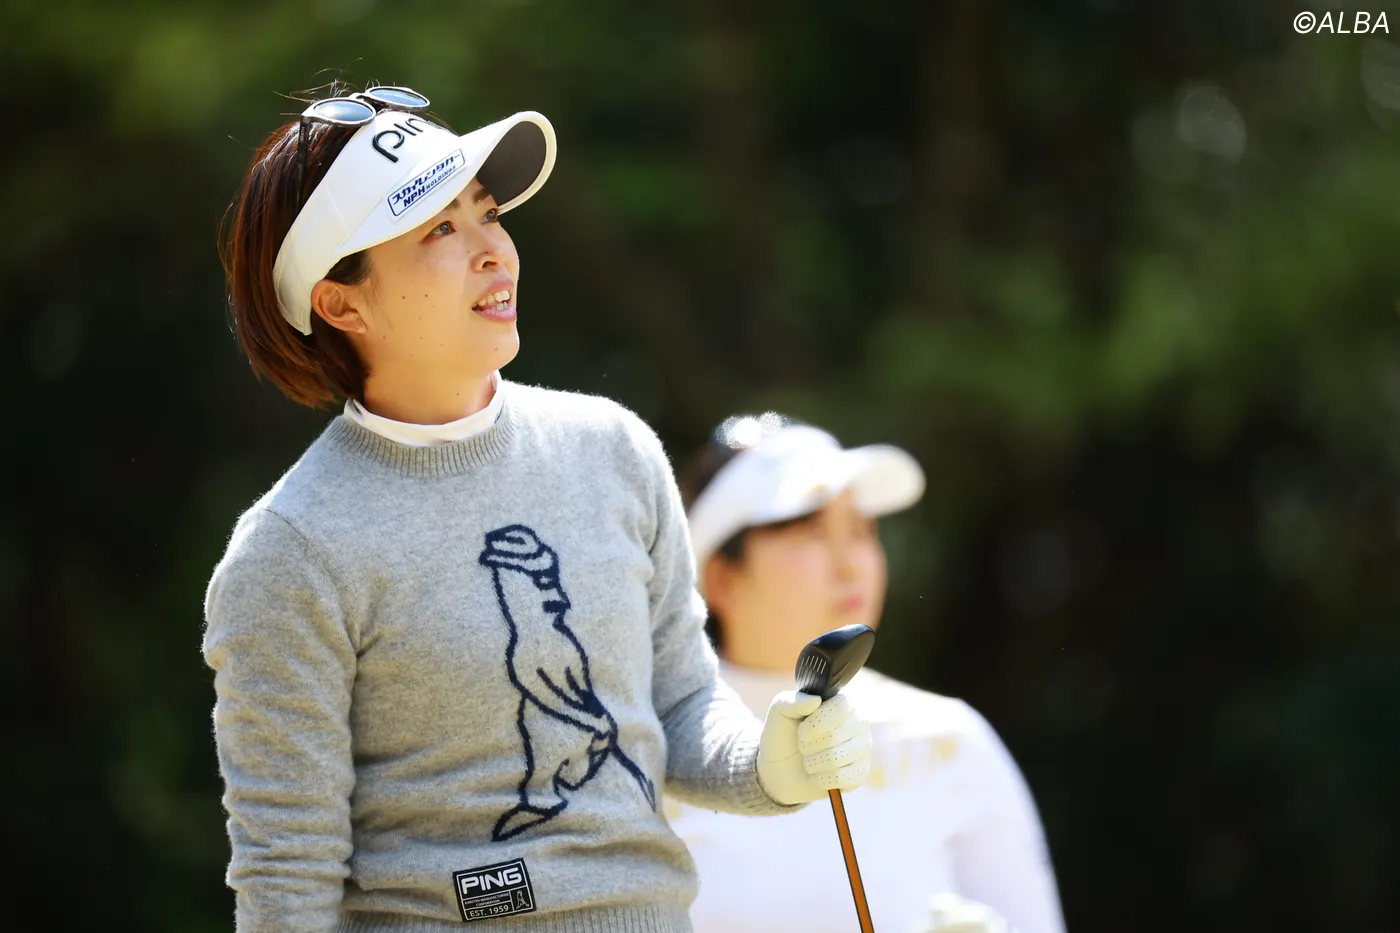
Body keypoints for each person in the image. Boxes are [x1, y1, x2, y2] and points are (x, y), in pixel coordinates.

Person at [204, 84, 874, 933]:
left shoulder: (615, 450)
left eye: (488, 213)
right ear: (341, 302)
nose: (494, 250)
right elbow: (286, 879)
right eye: (439, 229)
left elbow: (677, 704)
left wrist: (771, 761)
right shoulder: (291, 549)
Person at [668, 412, 1067, 933]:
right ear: (721, 576)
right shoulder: (645, 745)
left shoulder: (947, 739)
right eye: (810, 532)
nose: (850, 564)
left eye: (861, 530)